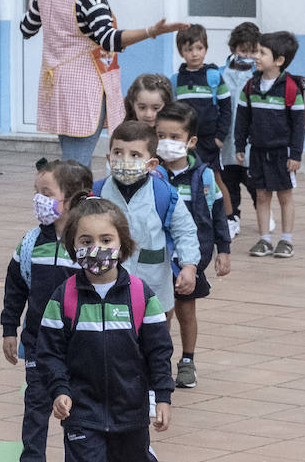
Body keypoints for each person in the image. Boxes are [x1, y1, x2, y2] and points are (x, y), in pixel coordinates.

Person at [36, 196, 174, 462]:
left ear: (123, 245)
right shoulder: (63, 297)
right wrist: (59, 390)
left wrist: (161, 395)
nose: (96, 248)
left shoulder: (139, 295)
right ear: (73, 247)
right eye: (85, 240)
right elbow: (49, 352)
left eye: (106, 239)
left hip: (131, 410)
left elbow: (158, 350)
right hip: (82, 410)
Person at [20, 0, 186, 167]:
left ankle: (77, 200)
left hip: (56, 87)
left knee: (73, 158)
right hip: (85, 87)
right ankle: (74, 205)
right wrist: (152, 31)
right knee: (77, 166)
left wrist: (36, 2)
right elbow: (109, 39)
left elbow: (27, 28)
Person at [0, 159, 93, 462]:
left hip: (81, 346)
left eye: (46, 193)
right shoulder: (31, 243)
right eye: (36, 192)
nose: (38, 199)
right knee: (36, 402)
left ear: (73, 198)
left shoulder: (87, 244)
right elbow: (16, 287)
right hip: (39, 343)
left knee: (77, 407)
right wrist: (10, 328)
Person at [155, 104, 231, 390]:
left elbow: (217, 213)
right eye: (161, 135)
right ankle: (158, 362)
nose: (167, 143)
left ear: (191, 142)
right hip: (157, 257)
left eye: (175, 137)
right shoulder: (153, 174)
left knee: (186, 311)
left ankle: (187, 360)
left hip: (190, 258)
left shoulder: (204, 176)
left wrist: (223, 249)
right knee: (160, 313)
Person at [95, 119, 200, 312]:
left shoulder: (164, 194)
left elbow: (185, 230)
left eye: (135, 155)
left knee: (156, 330)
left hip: (152, 280)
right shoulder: (97, 194)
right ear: (109, 159)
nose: (125, 159)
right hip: (105, 281)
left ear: (151, 164)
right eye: (118, 152)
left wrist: (189, 265)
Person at [233, 30, 305, 258]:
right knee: (262, 196)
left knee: (285, 196)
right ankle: (264, 239)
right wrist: (239, 145)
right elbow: (242, 118)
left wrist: (295, 154)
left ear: (279, 60)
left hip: (282, 153)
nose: (256, 56)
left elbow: (298, 126)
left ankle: (286, 240)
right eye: (256, 51)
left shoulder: (291, 89)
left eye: (261, 52)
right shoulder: (250, 87)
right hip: (258, 151)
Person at [171, 25, 231, 173]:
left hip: (210, 141)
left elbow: (226, 109)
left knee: (214, 179)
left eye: (199, 48)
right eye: (189, 49)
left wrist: (219, 138)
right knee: (189, 176)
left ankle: (220, 198)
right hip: (185, 142)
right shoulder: (176, 80)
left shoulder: (214, 76)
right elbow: (172, 112)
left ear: (206, 48)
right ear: (181, 52)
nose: (195, 54)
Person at [220, 23, 261, 235]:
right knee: (229, 181)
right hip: (226, 143)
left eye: (253, 51)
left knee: (254, 182)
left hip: (250, 143)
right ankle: (232, 216)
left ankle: (263, 213)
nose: (248, 56)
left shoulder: (260, 78)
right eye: (244, 50)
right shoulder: (220, 75)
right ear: (233, 49)